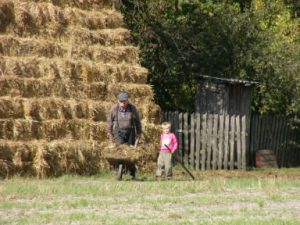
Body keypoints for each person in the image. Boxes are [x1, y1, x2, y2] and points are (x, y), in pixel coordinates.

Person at [107, 91, 142, 179]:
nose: (122, 103)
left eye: (124, 101)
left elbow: (137, 121)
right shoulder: (114, 108)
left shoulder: (132, 108)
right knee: (119, 151)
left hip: (130, 131)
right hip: (119, 132)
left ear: (127, 100)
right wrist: (109, 131)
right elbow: (110, 120)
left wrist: (139, 132)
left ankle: (132, 172)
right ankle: (117, 171)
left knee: (131, 152)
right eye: (121, 101)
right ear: (118, 101)